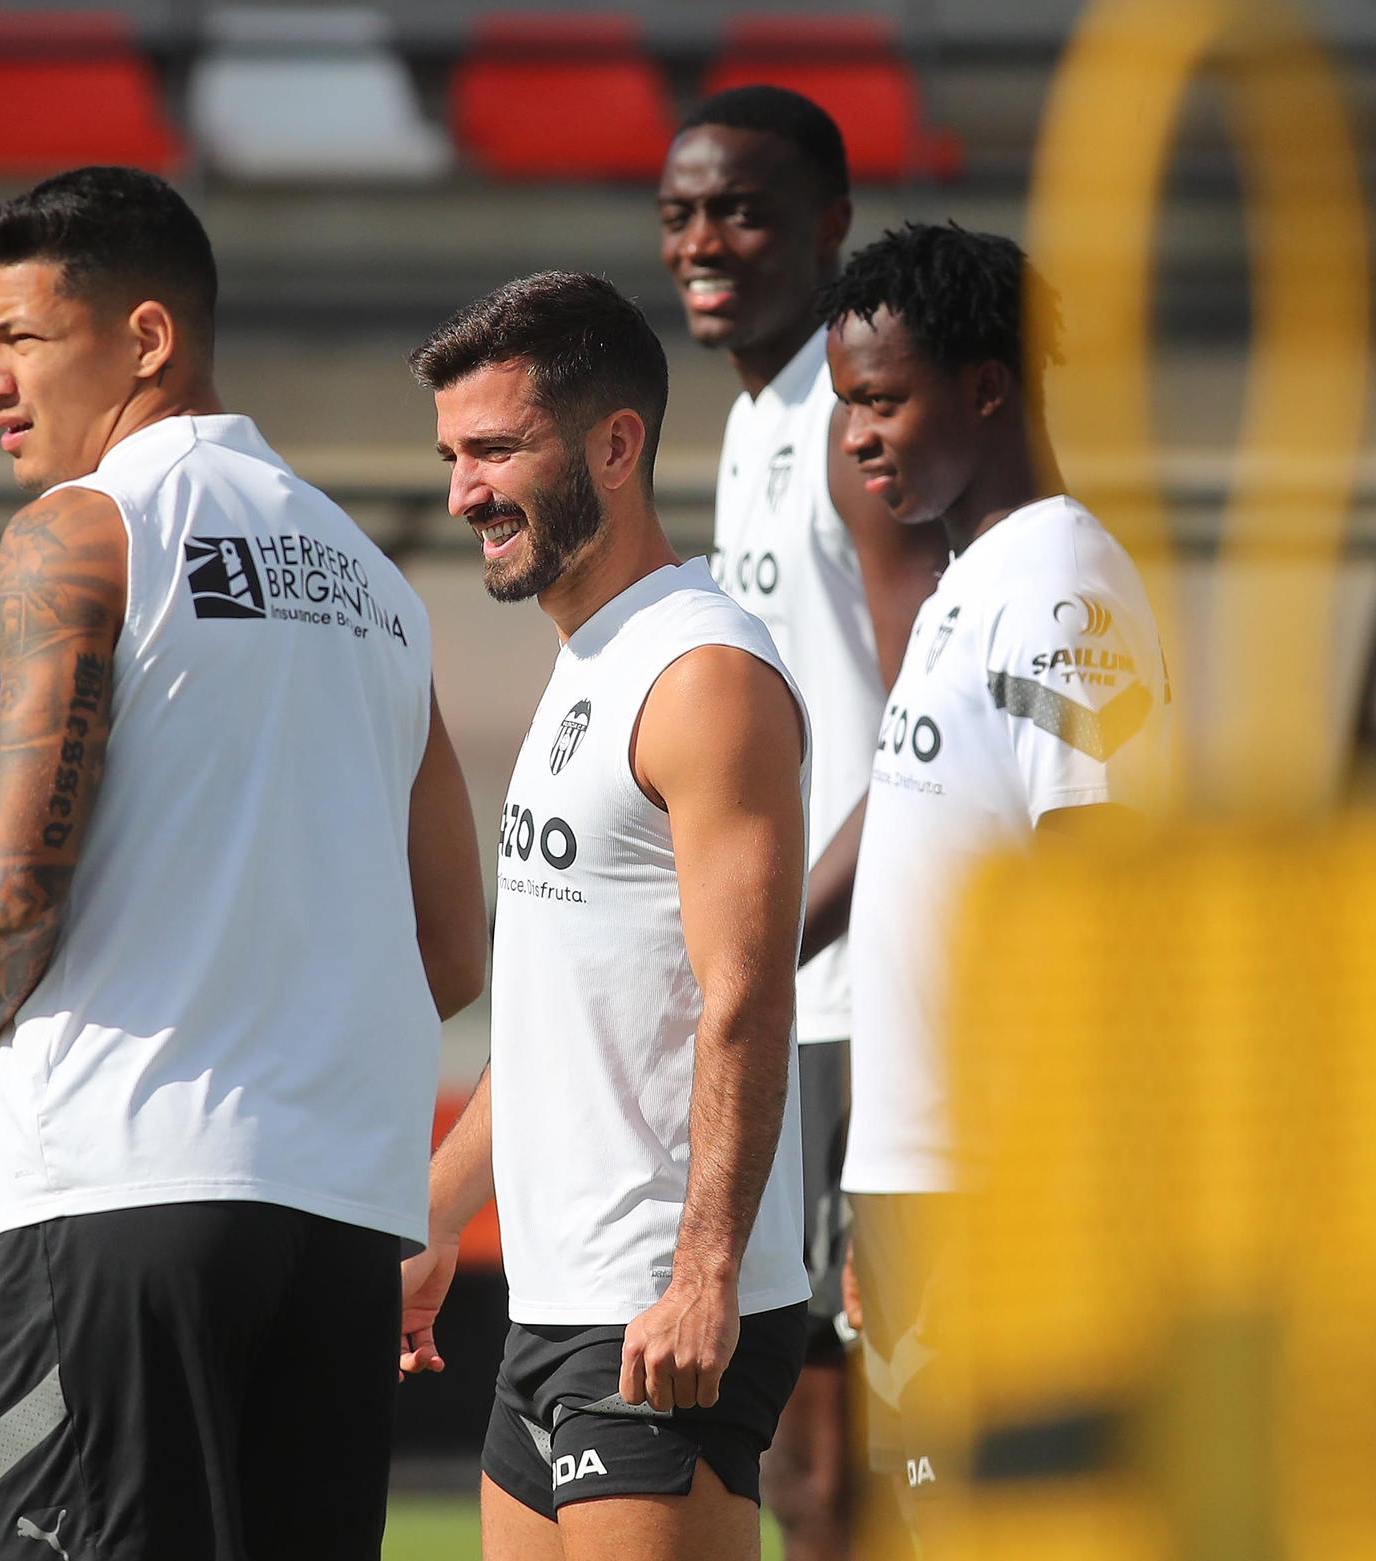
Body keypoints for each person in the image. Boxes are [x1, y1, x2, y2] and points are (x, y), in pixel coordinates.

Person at [0, 165, 488, 1561]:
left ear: (147, 338)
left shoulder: (83, 532)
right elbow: (453, 950)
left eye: (18, 338)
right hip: (341, 1226)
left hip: (124, 1195)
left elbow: (15, 882)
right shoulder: (377, 583)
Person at [401, 271, 812, 1561]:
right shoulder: (591, 662)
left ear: (616, 446)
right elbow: (556, 1024)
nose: (467, 490)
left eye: (497, 449)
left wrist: (703, 1281)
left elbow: (747, 995)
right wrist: (435, 1216)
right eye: (454, 456)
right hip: (552, 1304)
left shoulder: (702, 675)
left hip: (657, 1311)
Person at [823, 222, 1171, 1552]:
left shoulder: (1067, 588)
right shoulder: (973, 584)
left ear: (984, 387)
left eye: (883, 398)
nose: (858, 435)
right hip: (923, 1182)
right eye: (848, 403)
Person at [658, 86, 950, 1558]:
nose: (703, 240)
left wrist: (764, 953)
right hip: (788, 994)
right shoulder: (750, 419)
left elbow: (923, 731)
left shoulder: (852, 420)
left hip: (846, 1002)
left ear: (831, 225)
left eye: (743, 208)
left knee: (858, 1451)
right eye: (681, 214)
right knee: (792, 1435)